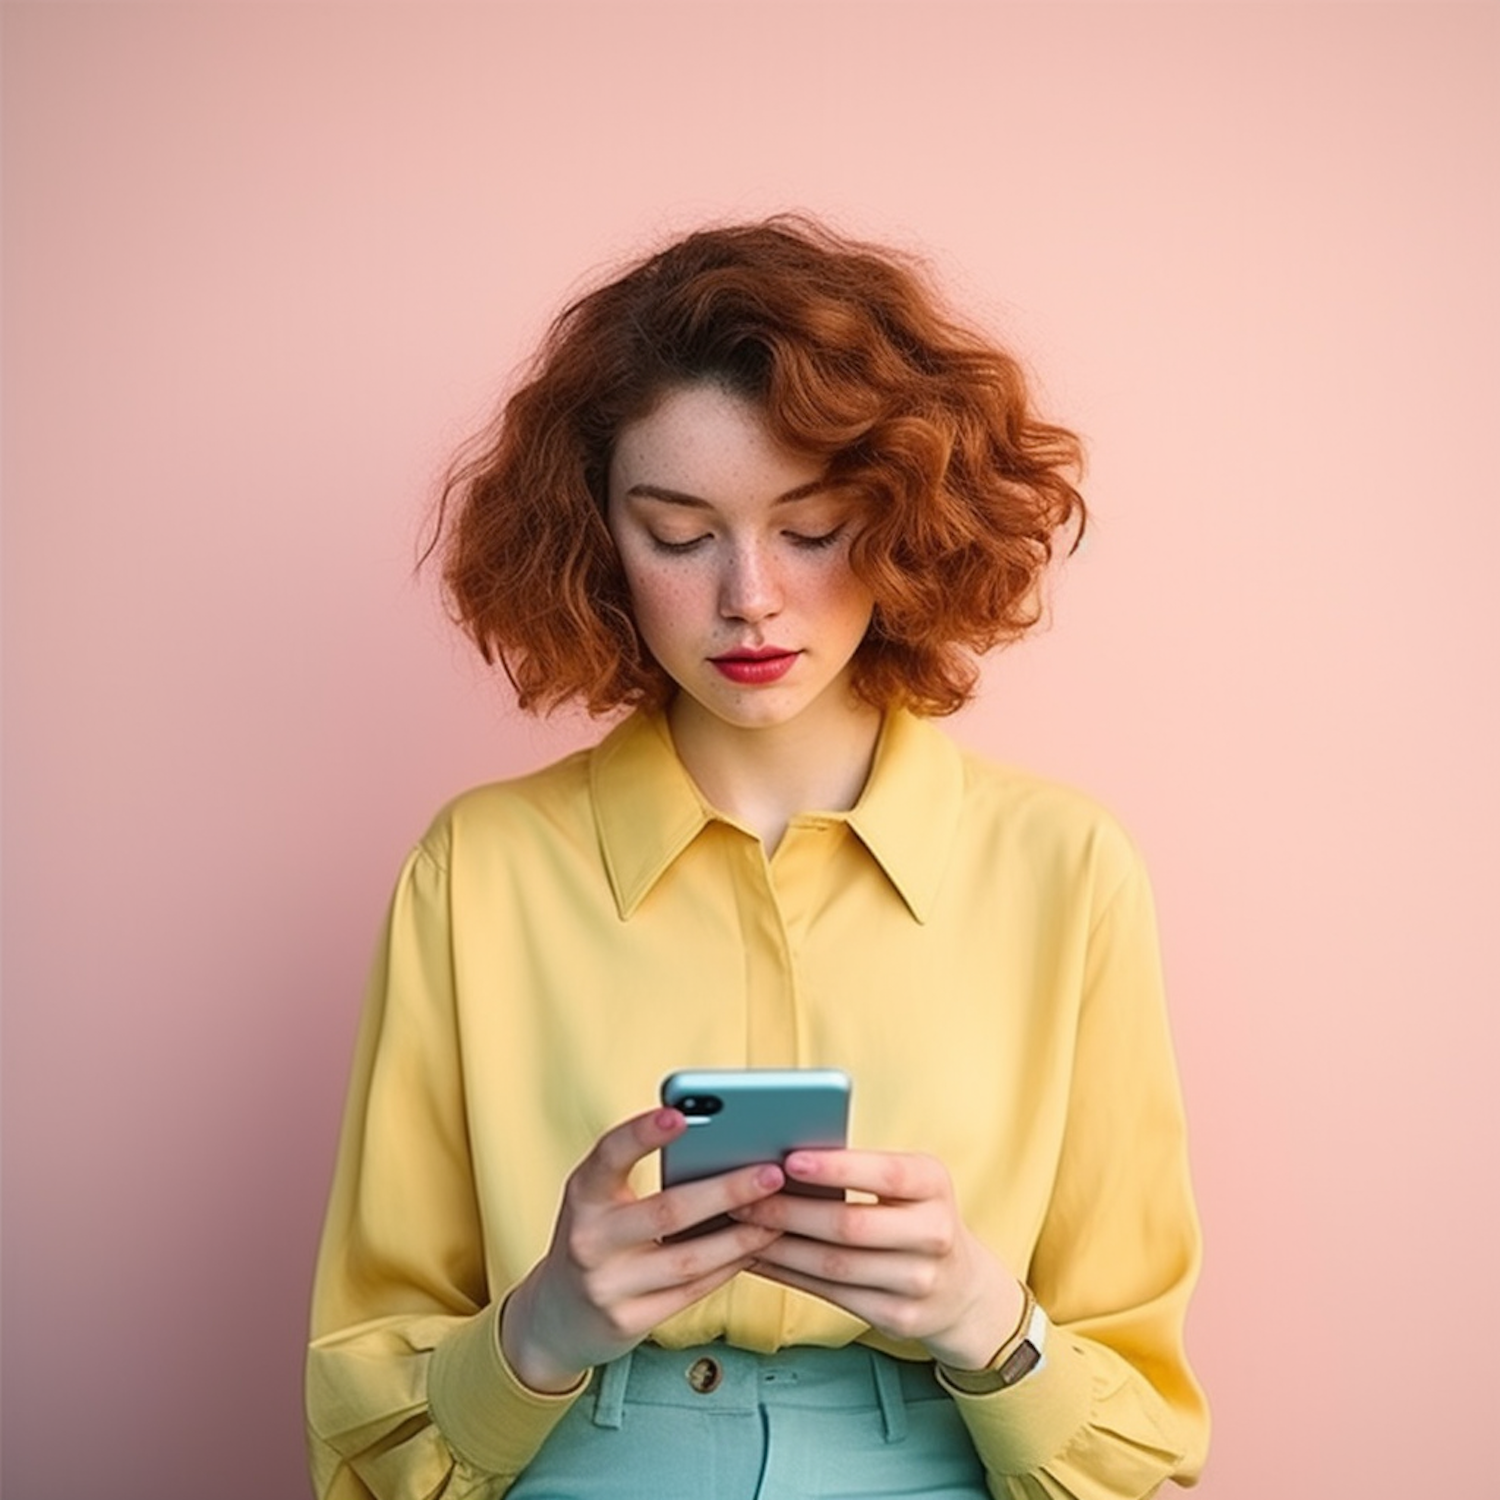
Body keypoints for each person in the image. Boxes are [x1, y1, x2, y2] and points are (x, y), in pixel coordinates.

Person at [305, 216, 1209, 1499]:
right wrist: (546, 1323)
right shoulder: (480, 869)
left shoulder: (1066, 868)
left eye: (814, 524)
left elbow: (1141, 1449)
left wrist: (985, 1321)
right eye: (678, 534)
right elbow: (366, 1418)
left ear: (903, 519)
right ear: (595, 541)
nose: (750, 597)